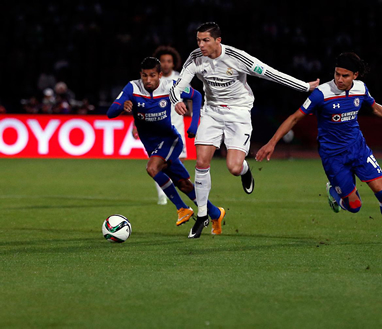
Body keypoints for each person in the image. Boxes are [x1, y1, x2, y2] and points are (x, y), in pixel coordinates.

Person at [169, 22, 320, 238]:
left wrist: (304, 87)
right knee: (201, 162)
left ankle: (245, 170)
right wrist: (176, 100)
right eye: (198, 40)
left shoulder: (237, 57)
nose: (200, 45)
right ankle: (202, 215)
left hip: (238, 113)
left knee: (233, 167)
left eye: (205, 40)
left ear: (218, 40)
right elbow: (179, 85)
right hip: (211, 112)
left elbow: (271, 73)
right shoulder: (195, 57)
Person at [256, 52, 382, 244]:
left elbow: (375, 108)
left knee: (381, 189)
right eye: (337, 74)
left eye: (344, 75)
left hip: (358, 149)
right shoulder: (322, 93)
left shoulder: (361, 89)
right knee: (355, 206)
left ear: (355, 75)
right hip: (333, 156)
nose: (339, 79)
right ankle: (334, 192)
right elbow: (295, 117)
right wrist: (272, 142)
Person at [107, 57, 225, 238]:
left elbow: (196, 95)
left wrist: (194, 125)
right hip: (153, 145)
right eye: (145, 76)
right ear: (140, 75)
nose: (148, 80)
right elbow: (110, 113)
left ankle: (182, 208)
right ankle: (216, 213)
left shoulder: (171, 85)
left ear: (160, 75)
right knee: (184, 184)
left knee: (152, 168)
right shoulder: (132, 87)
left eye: (152, 75)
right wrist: (122, 106)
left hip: (171, 140)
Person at [135, 46, 189, 205]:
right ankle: (162, 195)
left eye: (169, 61)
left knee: (178, 161)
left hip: (177, 124)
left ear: (174, 64)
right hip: (156, 125)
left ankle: (173, 190)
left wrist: (193, 118)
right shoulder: (150, 81)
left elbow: (190, 97)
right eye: (163, 61)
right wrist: (135, 125)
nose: (166, 64)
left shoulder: (180, 78)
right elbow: (140, 104)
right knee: (158, 162)